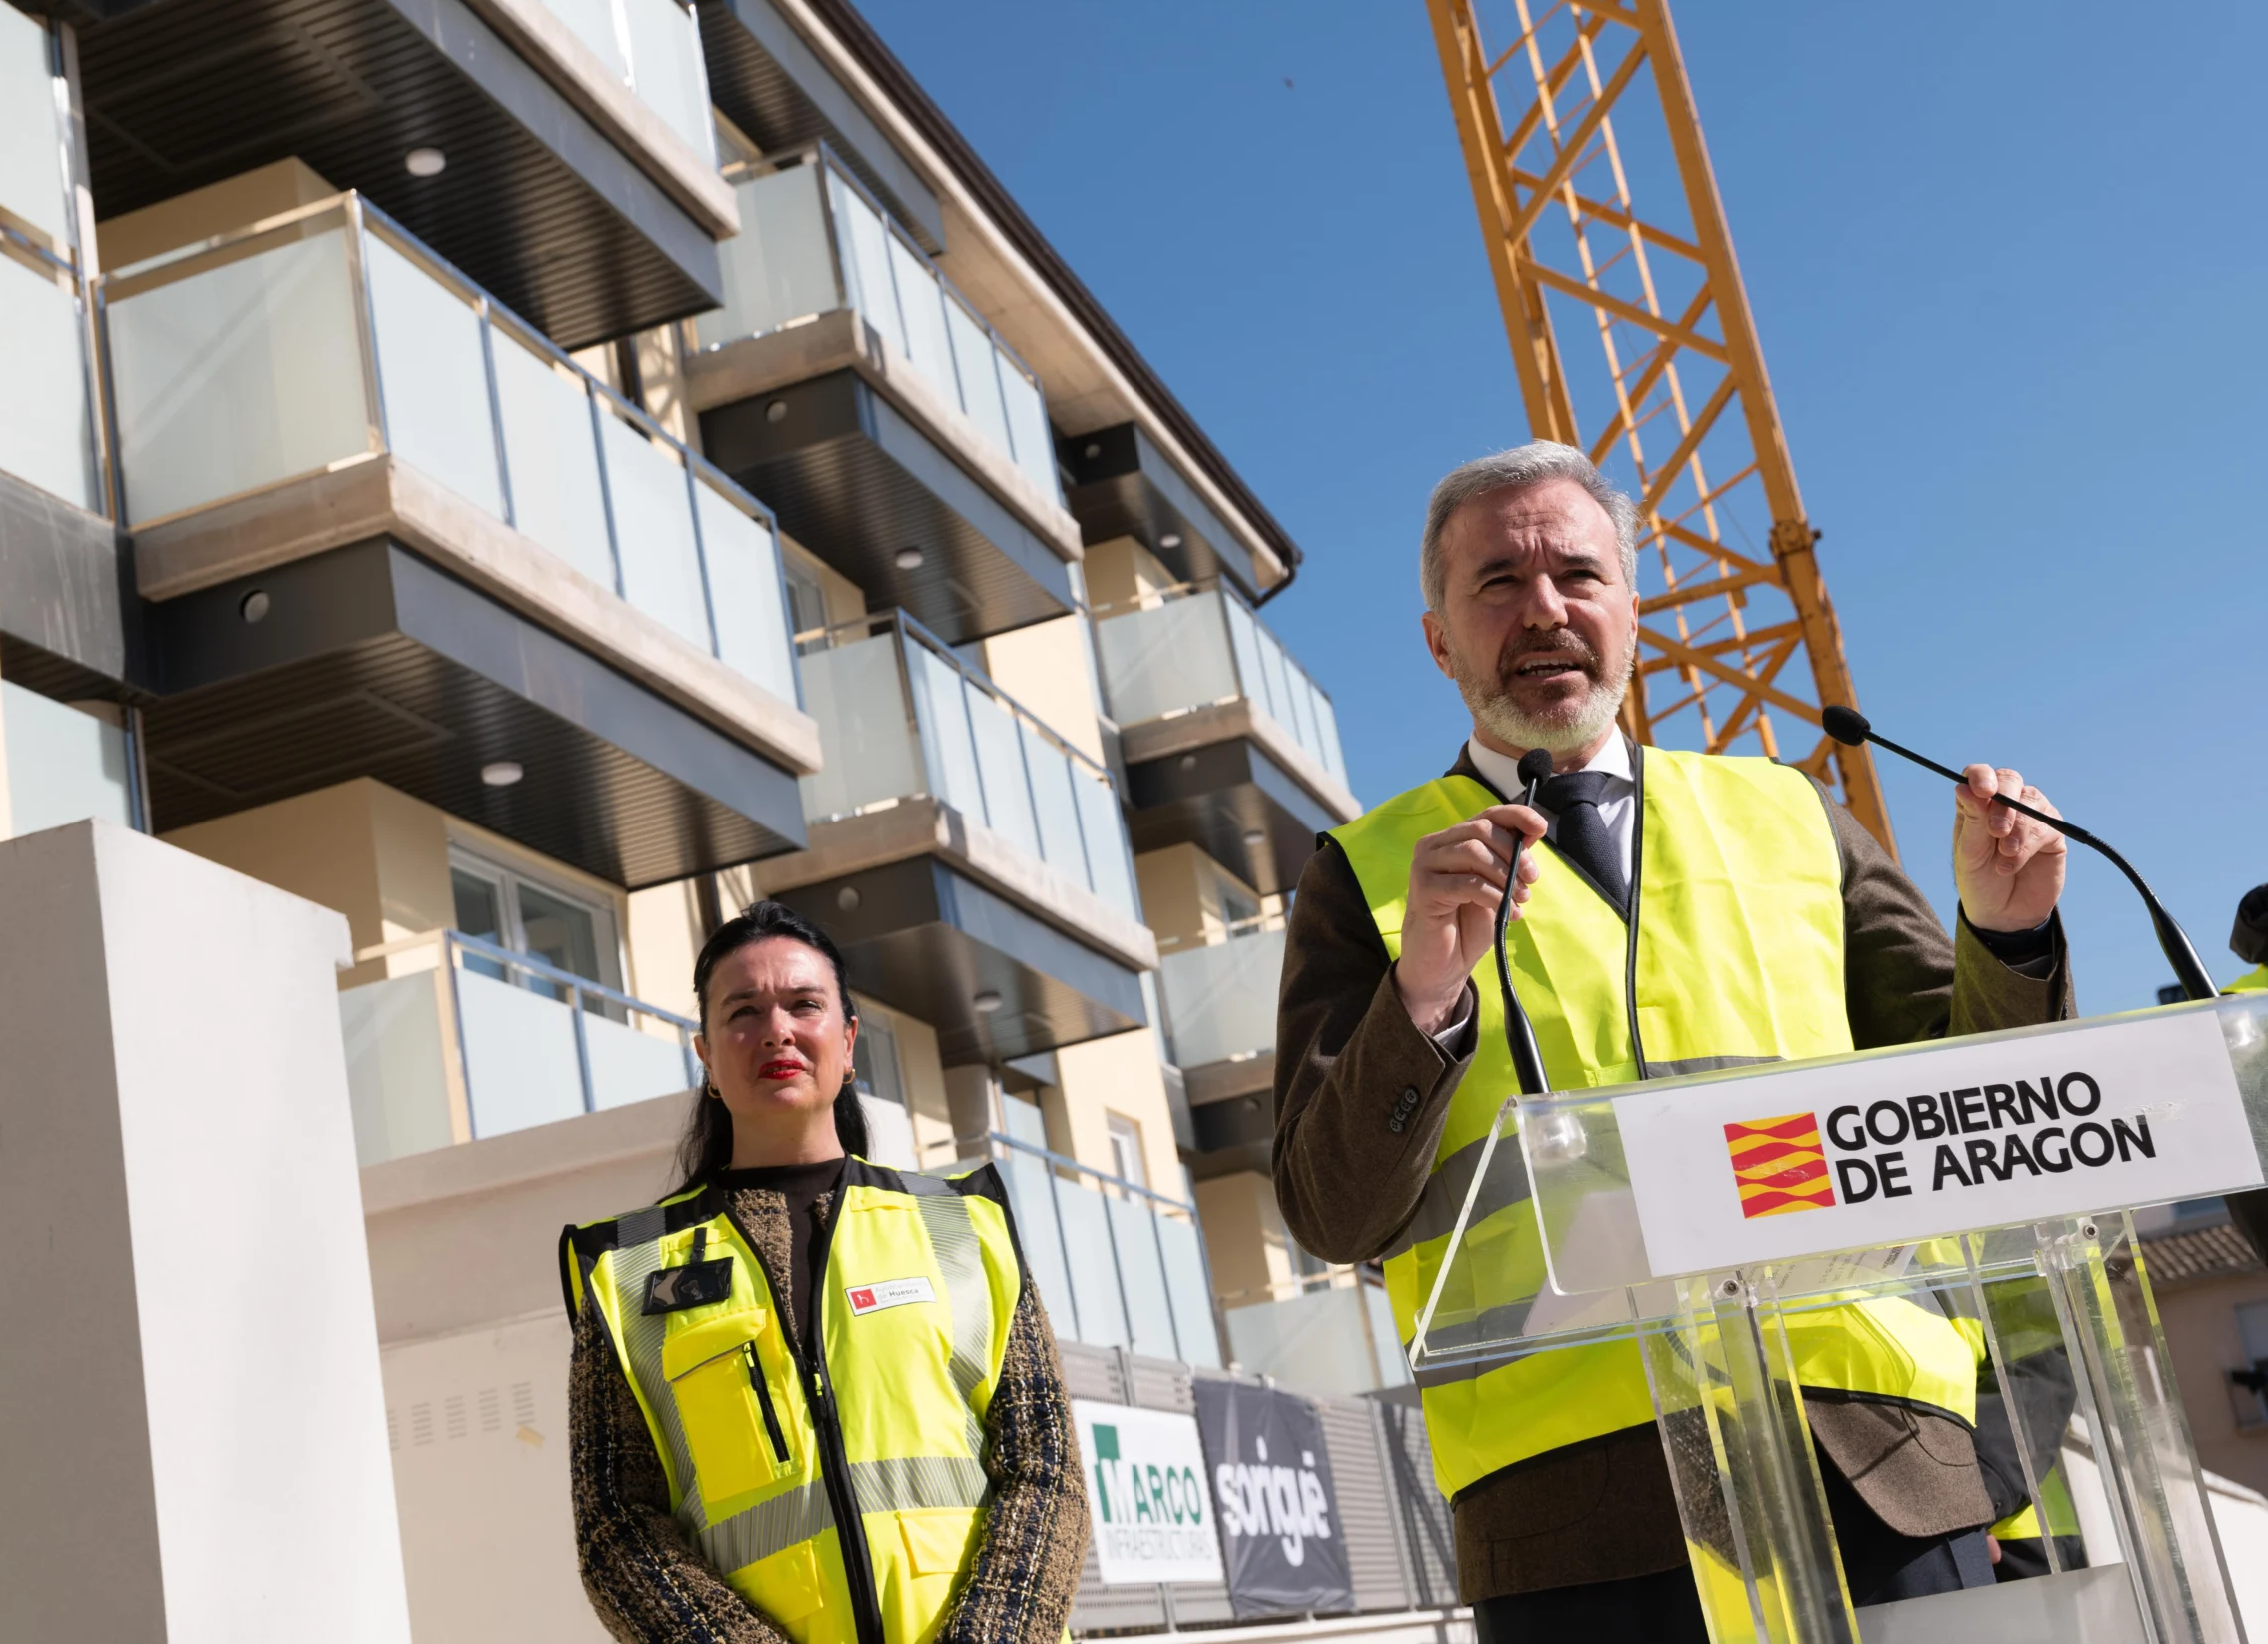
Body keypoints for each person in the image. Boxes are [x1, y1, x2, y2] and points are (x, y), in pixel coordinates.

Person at [1273, 441, 2076, 1642]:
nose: (1544, 608)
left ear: (1633, 612)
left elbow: (1988, 1107)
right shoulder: (1367, 876)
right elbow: (1331, 1211)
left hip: (1881, 1466)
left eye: (1577, 575)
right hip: (1577, 1519)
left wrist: (2006, 939)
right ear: (1438, 640)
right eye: (1497, 581)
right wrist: (1424, 1002)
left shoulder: (1795, 813)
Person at [562, 900, 1088, 1644]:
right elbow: (616, 1527)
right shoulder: (628, 1272)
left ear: (846, 1043)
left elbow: (1046, 1465)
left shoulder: (962, 1224)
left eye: (803, 1005)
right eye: (742, 1011)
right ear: (706, 1055)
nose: (775, 1029)